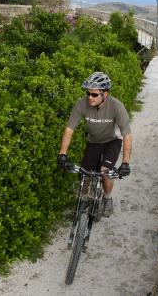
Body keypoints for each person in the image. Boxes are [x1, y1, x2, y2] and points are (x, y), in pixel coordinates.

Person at [57, 72, 132, 217]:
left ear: (105, 94)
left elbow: (127, 134)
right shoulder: (82, 104)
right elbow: (69, 129)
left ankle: (107, 198)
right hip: (94, 141)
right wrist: (62, 153)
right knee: (85, 174)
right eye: (88, 93)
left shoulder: (117, 106)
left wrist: (125, 162)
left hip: (112, 141)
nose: (90, 97)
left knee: (105, 172)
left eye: (94, 94)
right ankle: (85, 200)